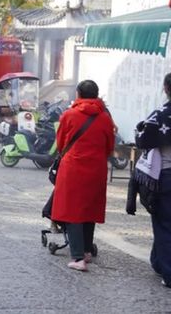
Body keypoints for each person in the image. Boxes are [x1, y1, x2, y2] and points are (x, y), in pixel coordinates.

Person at [51, 80, 114, 272]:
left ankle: (78, 257)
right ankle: (87, 250)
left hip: (73, 168)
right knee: (89, 208)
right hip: (97, 168)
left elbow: (61, 143)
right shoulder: (105, 118)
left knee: (73, 210)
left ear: (78, 94)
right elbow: (109, 146)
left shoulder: (69, 115)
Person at [131, 73, 171, 287]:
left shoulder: (160, 115)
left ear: (166, 88)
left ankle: (169, 272)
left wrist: (138, 131)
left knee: (164, 224)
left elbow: (143, 140)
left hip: (166, 175)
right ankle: (158, 262)